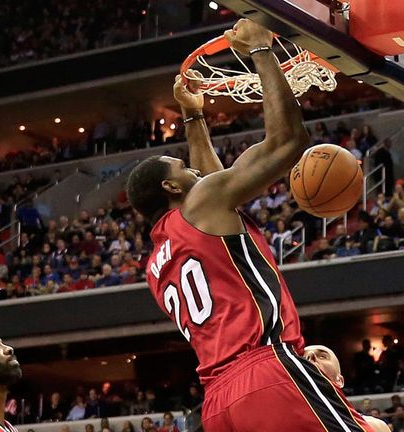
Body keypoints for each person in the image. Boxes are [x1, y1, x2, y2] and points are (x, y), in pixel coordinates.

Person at [127, 19, 373, 432]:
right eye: (183, 167)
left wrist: (194, 118)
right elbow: (287, 142)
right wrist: (262, 49)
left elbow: (213, 188)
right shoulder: (202, 204)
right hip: (267, 372)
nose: (194, 171)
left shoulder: (157, 260)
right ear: (171, 186)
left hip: (219, 402)